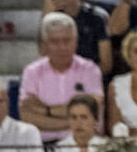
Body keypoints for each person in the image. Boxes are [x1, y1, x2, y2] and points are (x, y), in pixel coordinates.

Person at [18, 13, 104, 144]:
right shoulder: (32, 72)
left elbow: (93, 110)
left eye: (67, 40)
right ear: (45, 44)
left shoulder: (90, 70)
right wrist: (76, 122)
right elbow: (27, 117)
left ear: (76, 41)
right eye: (55, 41)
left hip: (81, 144)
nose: (62, 47)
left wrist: (45, 110)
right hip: (42, 145)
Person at [41, 0, 113, 76]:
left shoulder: (96, 17)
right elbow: (43, 56)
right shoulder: (52, 19)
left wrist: (79, 77)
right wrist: (46, 17)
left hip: (90, 78)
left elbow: (106, 64)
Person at [47, 95, 112, 152]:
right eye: (74, 117)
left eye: (84, 117)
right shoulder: (56, 150)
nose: (78, 123)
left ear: (95, 120)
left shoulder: (109, 148)